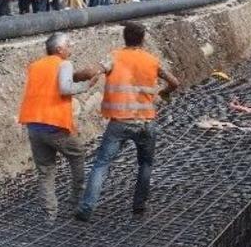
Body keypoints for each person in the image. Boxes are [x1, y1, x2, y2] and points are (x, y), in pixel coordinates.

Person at [76, 22, 179, 220]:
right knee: (145, 164)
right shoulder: (152, 60)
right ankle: (139, 206)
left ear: (124, 37)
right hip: (146, 121)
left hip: (120, 122)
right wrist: (165, 93)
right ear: (143, 39)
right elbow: (174, 82)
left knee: (101, 164)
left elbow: (90, 72)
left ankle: (87, 208)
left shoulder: (114, 57)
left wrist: (73, 76)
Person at [18, 33, 96, 220]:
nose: (71, 48)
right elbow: (64, 88)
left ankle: (49, 214)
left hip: (34, 125)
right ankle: (76, 201)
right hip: (54, 126)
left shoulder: (35, 65)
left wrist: (76, 76)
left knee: (45, 170)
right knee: (77, 155)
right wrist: (87, 86)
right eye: (68, 45)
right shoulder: (64, 64)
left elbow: (49, 84)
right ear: (59, 49)